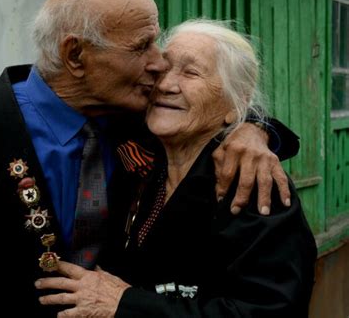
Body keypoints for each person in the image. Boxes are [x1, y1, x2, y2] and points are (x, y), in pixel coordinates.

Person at [0, 0, 299, 318]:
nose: (159, 66)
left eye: (158, 45)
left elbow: (219, 107)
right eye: (142, 47)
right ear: (76, 56)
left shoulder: (145, 122)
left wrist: (255, 131)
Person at [35, 20, 317, 317]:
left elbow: (269, 311)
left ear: (237, 103)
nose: (166, 85)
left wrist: (125, 304)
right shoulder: (141, 158)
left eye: (191, 73)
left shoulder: (252, 183)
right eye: (163, 70)